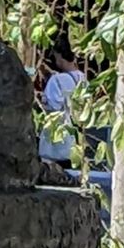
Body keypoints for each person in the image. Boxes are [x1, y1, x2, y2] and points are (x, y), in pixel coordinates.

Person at [38, 37, 85, 167]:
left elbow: (52, 107)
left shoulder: (56, 80)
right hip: (77, 140)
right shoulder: (83, 78)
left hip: (57, 142)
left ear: (59, 57)